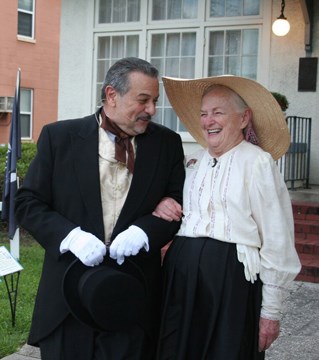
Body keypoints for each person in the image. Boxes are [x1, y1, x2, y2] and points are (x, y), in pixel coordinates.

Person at [14, 57, 185, 360]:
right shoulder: (60, 137)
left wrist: (145, 231)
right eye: (143, 100)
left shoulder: (167, 144)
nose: (152, 110)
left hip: (132, 299)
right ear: (111, 96)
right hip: (67, 301)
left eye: (155, 101)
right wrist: (70, 237)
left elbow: (175, 206)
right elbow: (27, 203)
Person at [153, 75, 301, 360]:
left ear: (244, 118)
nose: (209, 121)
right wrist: (164, 203)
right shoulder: (193, 162)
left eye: (218, 112)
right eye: (204, 114)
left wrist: (270, 312)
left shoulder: (258, 163)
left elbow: (277, 239)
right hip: (181, 277)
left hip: (230, 280)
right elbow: (175, 202)